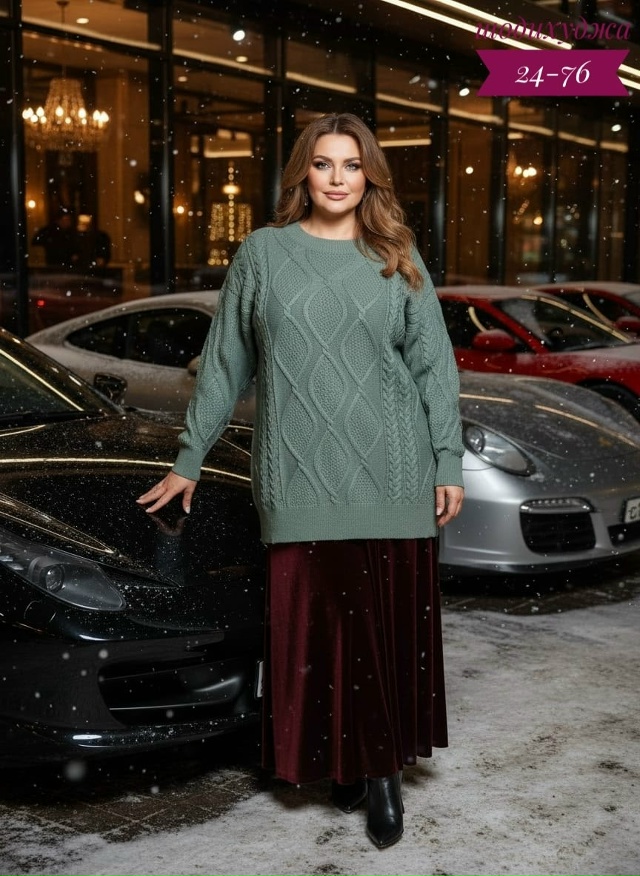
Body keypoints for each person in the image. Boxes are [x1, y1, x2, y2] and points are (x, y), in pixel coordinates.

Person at [136, 112, 464, 850]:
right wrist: (189, 456)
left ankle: (379, 772)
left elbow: (433, 367)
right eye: (323, 164)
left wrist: (447, 459)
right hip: (298, 471)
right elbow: (226, 361)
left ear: (370, 175)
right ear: (302, 175)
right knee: (323, 630)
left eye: (351, 164)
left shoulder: (397, 254)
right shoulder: (264, 253)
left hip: (393, 468)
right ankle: (345, 759)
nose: (338, 178)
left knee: (375, 628)